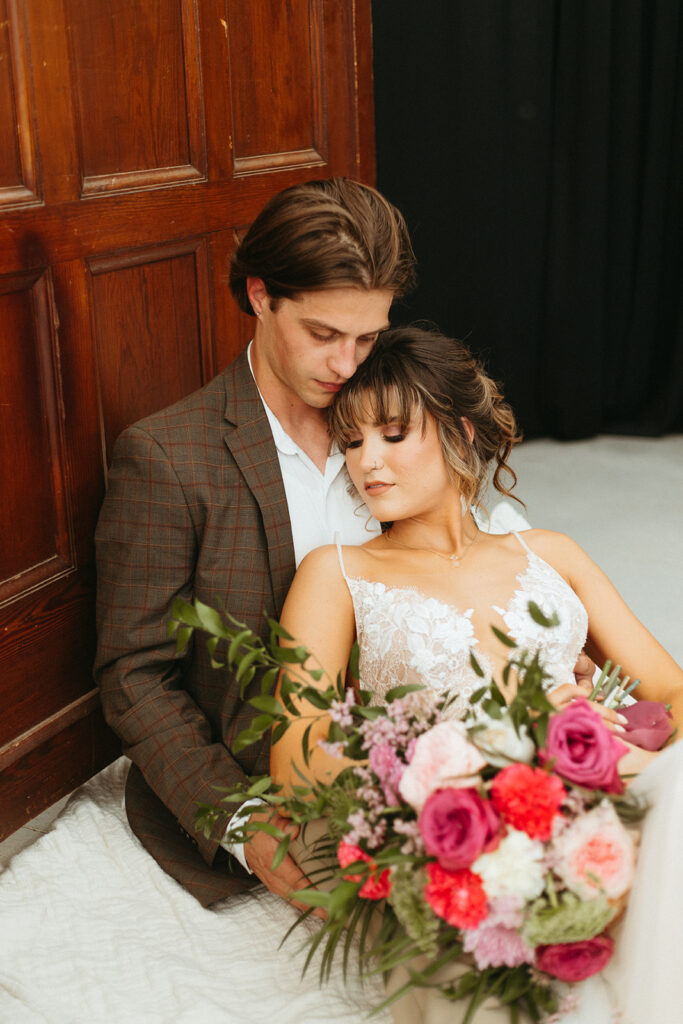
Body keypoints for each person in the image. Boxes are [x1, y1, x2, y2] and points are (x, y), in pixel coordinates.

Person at [271, 325, 683, 1023]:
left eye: (393, 434)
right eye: (350, 441)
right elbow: (294, 759)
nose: (366, 462)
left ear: (459, 432)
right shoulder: (336, 574)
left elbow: (668, 689)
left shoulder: (550, 552)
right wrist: (500, 747)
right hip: (466, 825)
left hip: (610, 789)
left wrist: (603, 739)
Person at [94, 177, 417, 907]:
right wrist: (243, 823)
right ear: (261, 295)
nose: (346, 365)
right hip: (265, 781)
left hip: (422, 760)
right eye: (323, 334)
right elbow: (133, 675)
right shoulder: (167, 458)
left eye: (367, 337)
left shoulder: (396, 419)